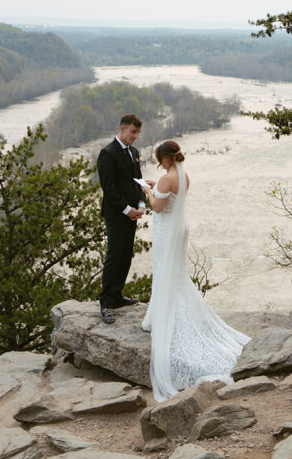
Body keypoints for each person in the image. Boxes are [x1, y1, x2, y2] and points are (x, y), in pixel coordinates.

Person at [140, 140, 250, 402]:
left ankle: (163, 317)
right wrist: (156, 188)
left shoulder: (166, 178)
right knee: (176, 274)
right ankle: (161, 312)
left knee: (166, 273)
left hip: (167, 230)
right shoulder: (183, 175)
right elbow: (170, 197)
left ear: (163, 158)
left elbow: (157, 206)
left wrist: (147, 191)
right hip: (180, 229)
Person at [97, 113, 146, 324]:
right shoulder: (107, 153)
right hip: (117, 214)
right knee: (115, 254)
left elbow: (138, 181)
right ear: (122, 128)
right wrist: (127, 209)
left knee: (127, 254)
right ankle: (106, 302)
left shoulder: (134, 152)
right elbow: (109, 189)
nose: (135, 136)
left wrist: (141, 204)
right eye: (133, 132)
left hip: (133, 213)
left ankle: (117, 295)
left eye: (137, 133)